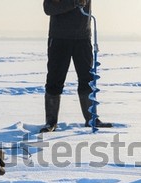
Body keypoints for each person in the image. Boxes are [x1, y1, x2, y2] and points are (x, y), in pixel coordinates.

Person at [41, 0, 112, 133]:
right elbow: (48, 8)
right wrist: (73, 3)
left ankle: (91, 119)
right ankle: (50, 123)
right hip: (59, 38)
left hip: (82, 38)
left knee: (87, 80)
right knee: (54, 80)